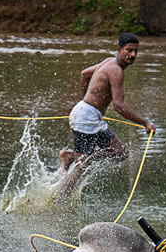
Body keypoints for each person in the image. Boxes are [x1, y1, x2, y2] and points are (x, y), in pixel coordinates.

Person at [58, 33, 156, 195]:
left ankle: (71, 156)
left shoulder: (108, 61)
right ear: (120, 49)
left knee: (120, 153)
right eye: (129, 50)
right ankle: (58, 198)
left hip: (86, 114)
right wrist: (144, 123)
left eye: (135, 52)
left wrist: (86, 100)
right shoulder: (116, 71)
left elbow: (84, 74)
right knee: (83, 167)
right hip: (86, 118)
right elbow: (119, 106)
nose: (133, 55)